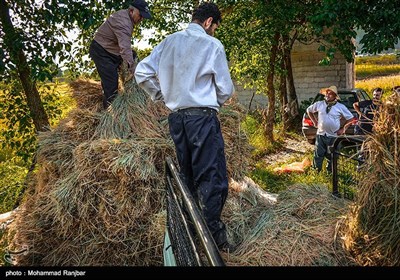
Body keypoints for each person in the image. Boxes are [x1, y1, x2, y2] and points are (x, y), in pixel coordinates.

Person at [135, 3, 235, 252]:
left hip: (177, 119)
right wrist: (213, 103)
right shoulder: (212, 45)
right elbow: (226, 89)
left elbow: (141, 72)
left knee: (187, 173)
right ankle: (213, 238)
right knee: (212, 176)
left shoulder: (169, 42)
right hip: (202, 118)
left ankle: (191, 229)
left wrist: (160, 95)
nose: (214, 32)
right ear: (209, 22)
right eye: (215, 28)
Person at [89, 0, 152, 109]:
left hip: (111, 49)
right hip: (101, 51)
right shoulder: (124, 23)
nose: (141, 19)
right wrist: (132, 69)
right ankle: (109, 114)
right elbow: (125, 48)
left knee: (133, 55)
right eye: (140, 15)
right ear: (132, 11)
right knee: (111, 83)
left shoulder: (127, 18)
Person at [306, 86, 354, 172]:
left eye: (330, 93)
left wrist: (343, 129)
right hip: (321, 134)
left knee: (332, 155)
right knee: (318, 154)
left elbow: (350, 119)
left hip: (333, 135)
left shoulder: (340, 107)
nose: (327, 95)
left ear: (335, 96)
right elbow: (309, 110)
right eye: (327, 93)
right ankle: (316, 171)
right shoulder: (319, 104)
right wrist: (314, 122)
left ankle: (331, 172)